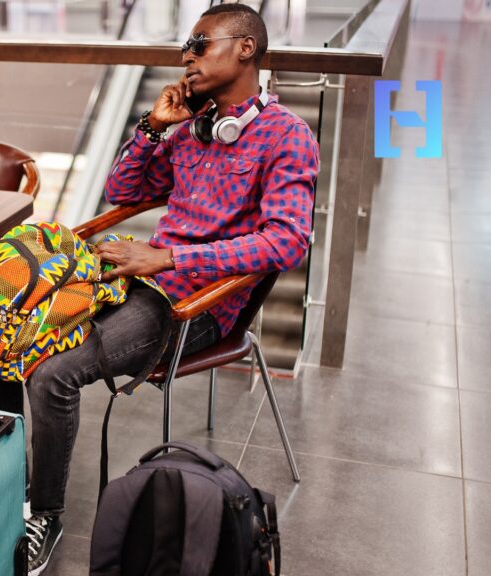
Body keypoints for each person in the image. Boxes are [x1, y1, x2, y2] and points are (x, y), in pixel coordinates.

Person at [20, 4, 319, 574]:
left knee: (54, 371)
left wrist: (168, 258)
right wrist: (155, 127)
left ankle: (44, 512)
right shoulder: (195, 127)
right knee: (11, 331)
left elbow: (285, 243)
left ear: (245, 48)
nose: (186, 56)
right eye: (186, 45)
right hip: (140, 280)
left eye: (200, 43)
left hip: (194, 302)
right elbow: (121, 188)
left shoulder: (288, 137)